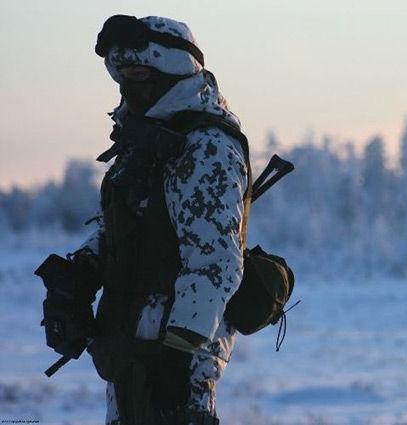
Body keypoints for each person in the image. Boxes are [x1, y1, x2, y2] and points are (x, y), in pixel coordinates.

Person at [70, 14, 250, 425]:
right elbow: (120, 227)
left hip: (176, 364)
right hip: (128, 350)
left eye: (140, 72)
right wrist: (78, 272)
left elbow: (215, 262)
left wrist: (178, 353)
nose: (129, 84)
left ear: (171, 72)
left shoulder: (206, 147)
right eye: (123, 74)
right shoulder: (143, 141)